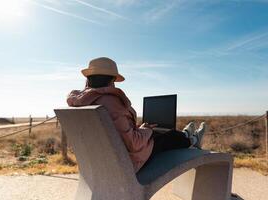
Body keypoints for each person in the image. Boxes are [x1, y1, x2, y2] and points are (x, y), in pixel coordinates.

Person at [67, 57, 206, 172]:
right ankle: (193, 140)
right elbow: (134, 144)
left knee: (156, 133)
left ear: (89, 79)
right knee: (164, 137)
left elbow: (115, 130)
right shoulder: (111, 103)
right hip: (126, 163)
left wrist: (140, 128)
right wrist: (146, 130)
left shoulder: (81, 102)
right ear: (111, 80)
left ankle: (187, 135)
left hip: (101, 162)